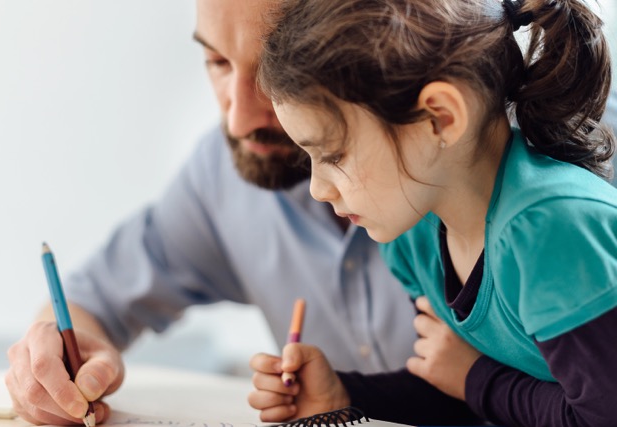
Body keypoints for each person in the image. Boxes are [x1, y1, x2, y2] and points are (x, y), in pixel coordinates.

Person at [3, 0, 459, 425]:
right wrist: (54, 366)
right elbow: (90, 301)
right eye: (218, 62)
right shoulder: (225, 174)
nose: (239, 119)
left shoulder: (490, 177)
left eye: (276, 72)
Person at [248, 0, 617, 426]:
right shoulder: (414, 234)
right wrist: (344, 393)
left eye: (333, 155)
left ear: (440, 118)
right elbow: (459, 387)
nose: (317, 189)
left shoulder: (551, 230)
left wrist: (475, 379)